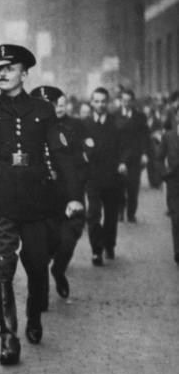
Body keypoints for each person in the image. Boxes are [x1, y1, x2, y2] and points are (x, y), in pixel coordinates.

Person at [0, 35, 77, 365]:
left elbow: (61, 154)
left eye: (10, 68)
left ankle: (34, 314)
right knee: (3, 267)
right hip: (1, 196)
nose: (3, 73)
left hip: (36, 200)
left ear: (24, 74)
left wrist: (73, 196)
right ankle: (8, 337)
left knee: (36, 267)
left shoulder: (43, 109)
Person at [30, 86, 87, 301]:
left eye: (49, 106)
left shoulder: (64, 132)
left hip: (64, 200)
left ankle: (59, 271)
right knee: (38, 254)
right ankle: (40, 297)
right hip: (37, 202)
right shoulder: (25, 134)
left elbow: (75, 167)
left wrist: (75, 198)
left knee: (66, 244)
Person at [83, 88, 127, 265]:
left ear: (107, 103)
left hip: (112, 177)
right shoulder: (84, 124)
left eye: (103, 101)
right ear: (92, 102)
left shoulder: (116, 124)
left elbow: (124, 147)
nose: (100, 105)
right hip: (92, 177)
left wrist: (123, 162)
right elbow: (78, 147)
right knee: (93, 214)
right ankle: (96, 250)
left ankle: (109, 244)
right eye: (97, 101)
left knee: (110, 216)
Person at [114, 89, 150, 223]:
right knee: (119, 186)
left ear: (133, 101)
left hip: (135, 157)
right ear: (121, 101)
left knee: (133, 187)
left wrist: (145, 153)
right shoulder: (114, 116)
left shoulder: (140, 117)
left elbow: (145, 136)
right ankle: (120, 211)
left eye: (129, 101)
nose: (126, 103)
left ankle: (131, 213)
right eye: (124, 100)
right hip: (119, 157)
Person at [155, 108, 179, 265]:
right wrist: (165, 175)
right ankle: (178, 251)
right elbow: (158, 158)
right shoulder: (168, 136)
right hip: (175, 182)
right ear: (176, 116)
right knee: (177, 218)